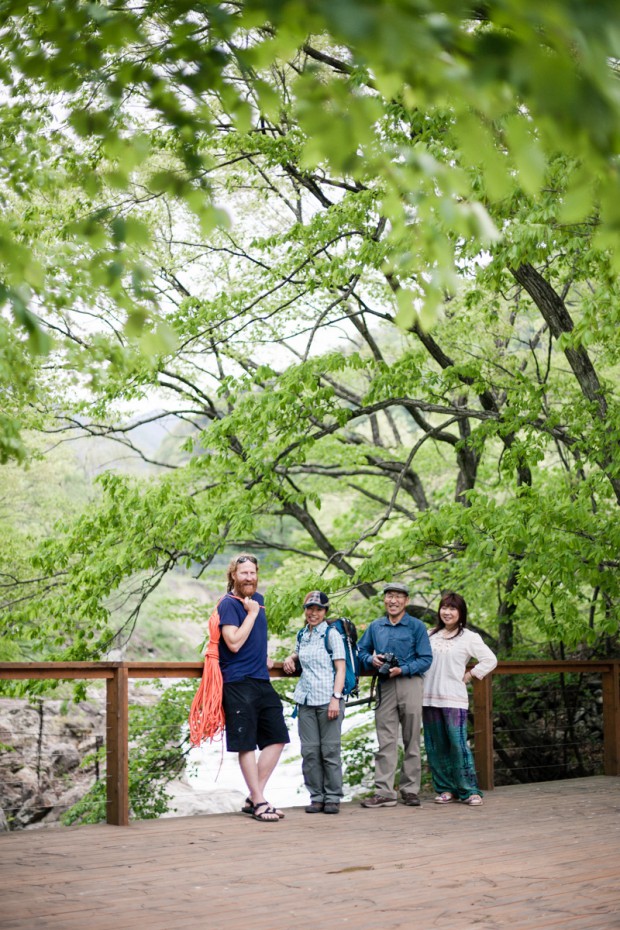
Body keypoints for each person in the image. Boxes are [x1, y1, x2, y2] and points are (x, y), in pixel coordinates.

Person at [219, 553, 290, 823]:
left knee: (278, 737)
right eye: (244, 573)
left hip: (261, 678)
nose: (249, 577)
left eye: (253, 573)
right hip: (237, 681)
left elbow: (253, 639)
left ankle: (253, 797)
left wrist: (264, 655)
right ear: (233, 576)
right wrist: (250, 614)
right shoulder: (228, 604)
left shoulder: (259, 600)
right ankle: (259, 800)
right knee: (246, 743)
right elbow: (234, 642)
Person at [358, 582, 433, 808]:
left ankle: (410, 790)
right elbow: (360, 650)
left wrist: (404, 668)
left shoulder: (416, 626)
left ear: (406, 601)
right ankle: (385, 792)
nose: (393, 600)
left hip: (410, 683)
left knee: (411, 739)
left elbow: (426, 659)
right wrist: (371, 660)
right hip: (385, 686)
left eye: (398, 597)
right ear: (384, 600)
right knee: (386, 740)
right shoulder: (376, 626)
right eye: (389, 596)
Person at [422, 591, 497, 806]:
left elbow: (490, 659)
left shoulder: (469, 637)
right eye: (444, 607)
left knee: (458, 744)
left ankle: (469, 790)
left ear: (461, 612)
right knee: (435, 746)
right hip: (428, 697)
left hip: (453, 697)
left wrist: (470, 674)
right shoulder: (429, 634)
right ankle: (445, 789)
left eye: (452, 608)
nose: (447, 612)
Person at [282, 591, 346, 815]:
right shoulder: (303, 634)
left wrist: (335, 699)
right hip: (306, 700)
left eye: (318, 609)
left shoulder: (331, 634)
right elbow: (299, 653)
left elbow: (341, 668)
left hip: (329, 699)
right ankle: (316, 796)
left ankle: (333, 797)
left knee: (329, 751)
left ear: (325, 611)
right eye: (310, 608)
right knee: (309, 752)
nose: (313, 613)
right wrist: (291, 657)